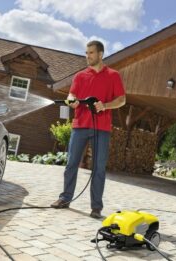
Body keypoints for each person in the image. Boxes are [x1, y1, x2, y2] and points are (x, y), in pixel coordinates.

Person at [50, 40, 126, 219]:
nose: (87, 56)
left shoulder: (113, 76)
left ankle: (96, 207)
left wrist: (105, 106)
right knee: (71, 164)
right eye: (86, 53)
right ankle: (65, 198)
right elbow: (71, 94)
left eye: (91, 53)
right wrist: (72, 100)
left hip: (102, 128)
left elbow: (121, 100)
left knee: (99, 168)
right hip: (80, 126)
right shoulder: (80, 76)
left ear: (100, 54)